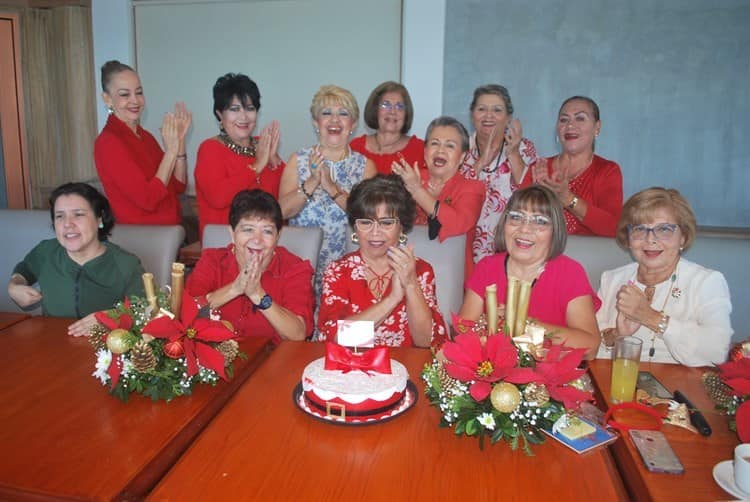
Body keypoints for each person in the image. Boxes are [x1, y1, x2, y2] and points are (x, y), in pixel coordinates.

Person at [458, 185, 601, 358]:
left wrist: (525, 324)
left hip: (552, 378)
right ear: (504, 224)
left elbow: (590, 347)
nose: (525, 229)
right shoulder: (487, 267)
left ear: (554, 231)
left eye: (539, 221)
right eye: (516, 218)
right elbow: (462, 334)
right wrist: (491, 323)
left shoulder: (570, 273)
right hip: (491, 373)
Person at [597, 188, 733, 366]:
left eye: (664, 229)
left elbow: (717, 352)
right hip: (617, 382)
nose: (650, 240)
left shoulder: (706, 282)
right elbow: (592, 347)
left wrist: (650, 317)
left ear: (683, 237)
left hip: (684, 388)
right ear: (628, 237)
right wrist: (618, 335)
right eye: (639, 229)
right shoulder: (612, 279)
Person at [318, 175, 447, 348]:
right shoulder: (338, 271)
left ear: (402, 227)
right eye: (366, 222)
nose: (375, 232)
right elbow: (337, 338)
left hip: (406, 368)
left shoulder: (421, 271)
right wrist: (392, 299)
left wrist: (410, 284)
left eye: (386, 223)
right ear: (355, 227)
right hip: (352, 368)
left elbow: (426, 343)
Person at [8, 182, 145, 336]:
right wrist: (14, 285)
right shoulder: (46, 252)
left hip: (105, 349)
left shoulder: (126, 264)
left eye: (78, 214)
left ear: (99, 219)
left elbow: (144, 310)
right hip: (50, 343)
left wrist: (112, 319)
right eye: (60, 216)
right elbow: (25, 269)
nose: (67, 224)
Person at [278, 85, 377, 295]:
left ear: (353, 124)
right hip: (301, 267)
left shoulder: (365, 166)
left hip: (350, 268)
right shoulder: (298, 160)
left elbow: (368, 217)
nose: (334, 120)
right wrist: (312, 183)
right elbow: (281, 213)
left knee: (344, 326)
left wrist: (332, 188)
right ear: (316, 122)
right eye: (326, 113)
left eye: (343, 114)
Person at [186, 189, 314, 343]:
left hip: (271, 361)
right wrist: (234, 289)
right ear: (232, 233)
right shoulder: (212, 261)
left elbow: (297, 334)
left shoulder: (295, 269)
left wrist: (258, 295)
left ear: (278, 236)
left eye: (267, 231)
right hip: (215, 356)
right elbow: (185, 314)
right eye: (248, 230)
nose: (257, 240)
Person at [94, 60, 191, 225]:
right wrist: (170, 152)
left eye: (138, 92)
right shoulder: (108, 143)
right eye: (125, 94)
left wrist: (179, 144)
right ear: (107, 99)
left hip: (170, 233)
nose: (135, 100)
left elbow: (178, 186)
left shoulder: (145, 136)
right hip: (142, 238)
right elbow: (148, 199)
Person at [392, 116, 484, 277]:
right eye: (435, 143)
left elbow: (457, 224)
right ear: (425, 151)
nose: (440, 150)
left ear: (462, 157)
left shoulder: (472, 188)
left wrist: (416, 190)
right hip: (403, 272)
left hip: (449, 278)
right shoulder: (407, 178)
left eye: (450, 145)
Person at [195, 73, 284, 238]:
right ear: (220, 115)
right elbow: (218, 197)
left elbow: (282, 196)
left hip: (266, 243)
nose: (243, 117)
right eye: (234, 109)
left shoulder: (263, 146)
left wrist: (274, 163)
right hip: (224, 245)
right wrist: (257, 166)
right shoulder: (210, 148)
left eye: (250, 108)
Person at [460, 84, 539, 265]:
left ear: (508, 117)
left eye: (497, 110)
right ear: (472, 115)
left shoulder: (524, 148)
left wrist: (513, 154)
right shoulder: (459, 147)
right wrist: (479, 164)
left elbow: (533, 198)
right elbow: (451, 195)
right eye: (482, 109)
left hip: (510, 249)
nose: (489, 116)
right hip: (465, 250)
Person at [524, 95, 622, 236]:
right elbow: (515, 219)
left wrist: (568, 199)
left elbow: (613, 228)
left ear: (597, 128)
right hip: (541, 255)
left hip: (588, 257)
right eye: (564, 119)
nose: (570, 125)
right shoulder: (539, 168)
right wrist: (536, 197)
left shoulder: (607, 170)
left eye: (580, 118)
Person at [349, 81, 424, 175]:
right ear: (375, 110)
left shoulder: (419, 149)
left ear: (406, 113)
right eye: (386, 105)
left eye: (399, 106)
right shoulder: (356, 147)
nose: (392, 111)